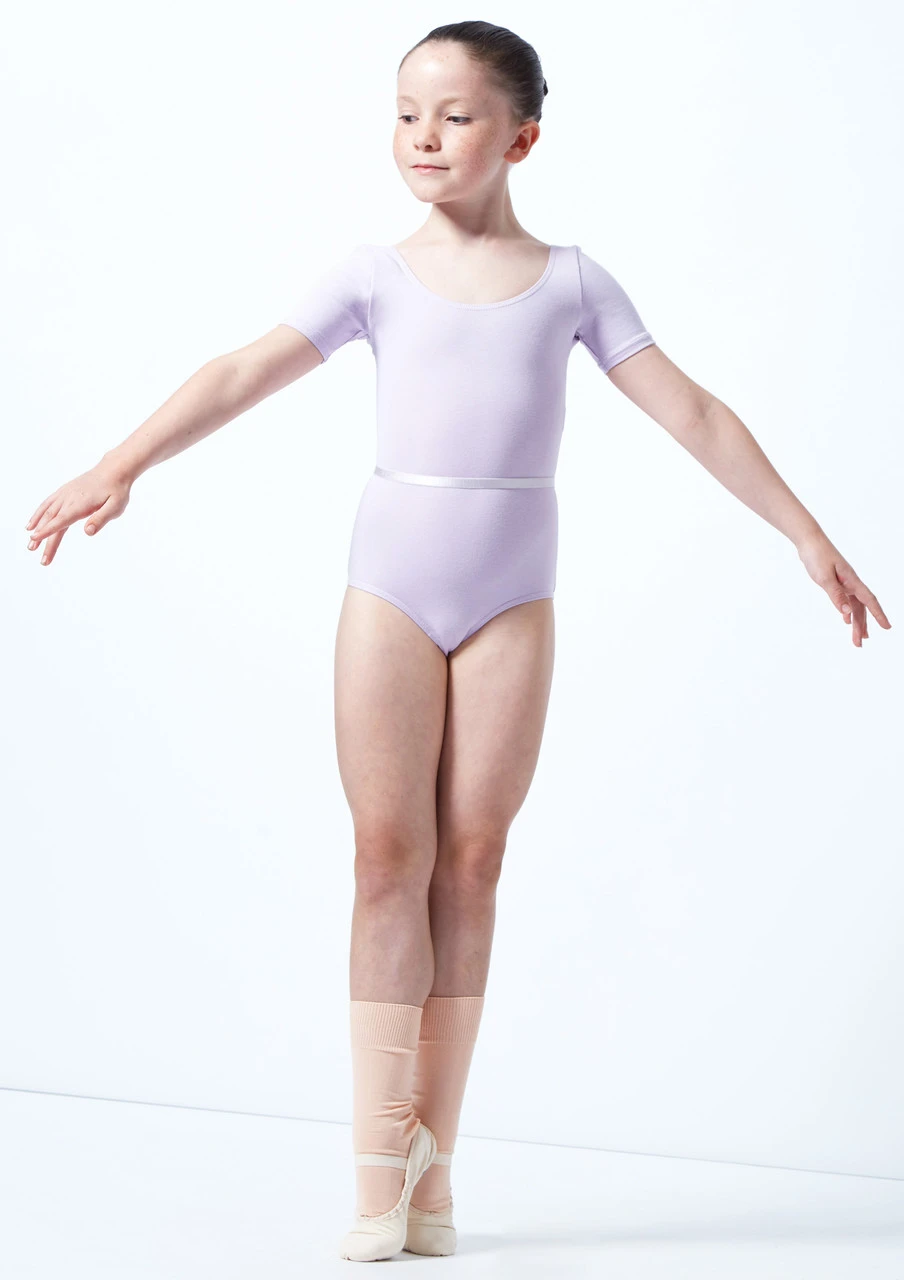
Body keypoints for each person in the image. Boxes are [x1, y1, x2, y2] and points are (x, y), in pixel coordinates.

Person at [25, 18, 891, 1267]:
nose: (423, 137)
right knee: (388, 856)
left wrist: (804, 534)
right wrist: (123, 463)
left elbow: (693, 410)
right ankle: (379, 1168)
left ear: (521, 138)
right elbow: (240, 370)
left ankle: (434, 1174)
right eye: (405, 113)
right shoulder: (373, 275)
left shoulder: (573, 282)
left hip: (510, 597)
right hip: (391, 585)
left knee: (471, 864)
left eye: (455, 116)